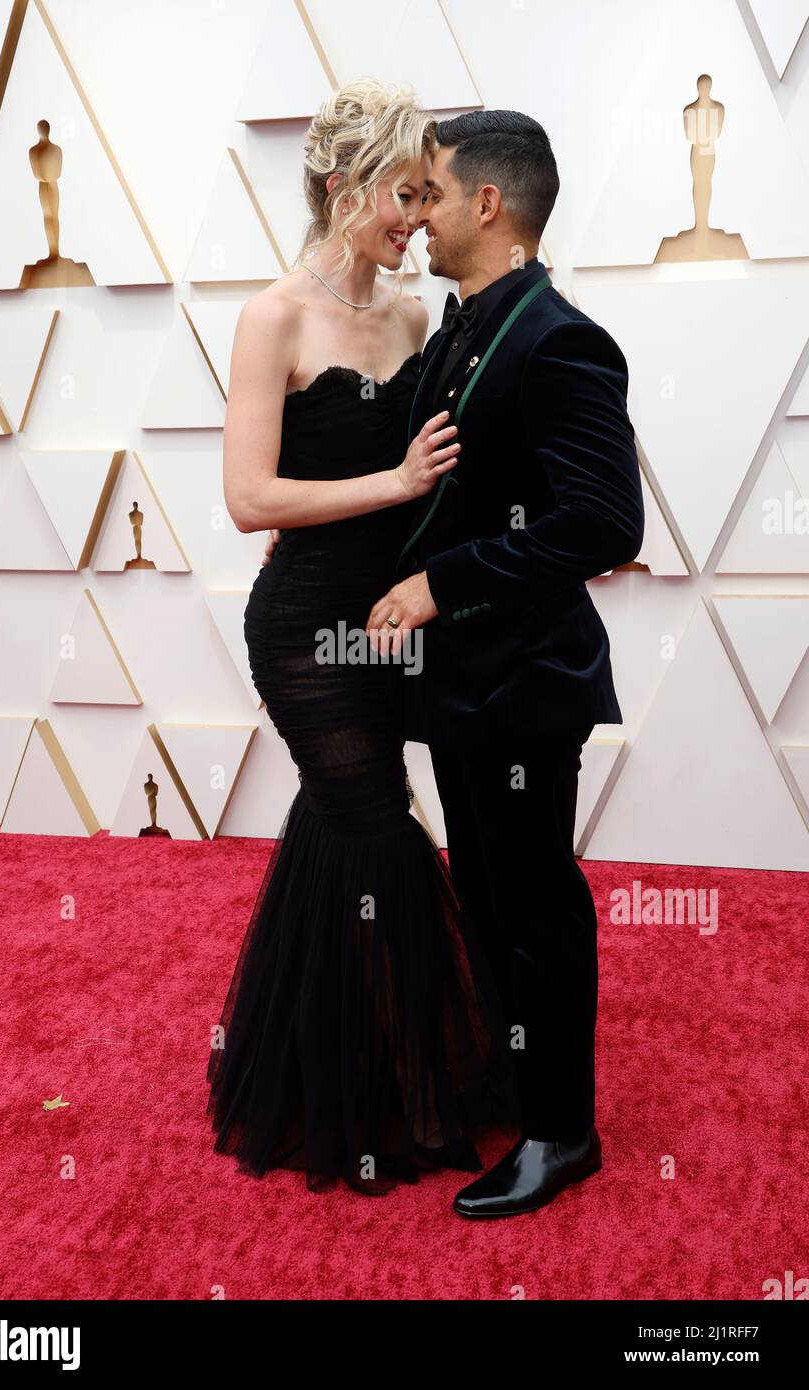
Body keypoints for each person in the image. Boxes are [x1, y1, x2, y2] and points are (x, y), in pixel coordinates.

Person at [206, 80, 519, 1196]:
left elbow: (445, 481)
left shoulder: (410, 315)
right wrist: (389, 477)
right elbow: (249, 498)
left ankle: (327, 1063)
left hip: (393, 618)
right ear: (343, 187)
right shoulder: (271, 317)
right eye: (404, 192)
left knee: (354, 825)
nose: (416, 218)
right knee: (376, 826)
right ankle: (383, 1093)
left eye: (427, 195)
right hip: (304, 628)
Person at [366, 110, 645, 1216]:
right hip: (462, 679)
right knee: (482, 888)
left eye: (429, 192)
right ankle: (515, 1081)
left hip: (525, 679)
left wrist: (444, 582)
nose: (417, 215)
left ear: (487, 203)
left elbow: (601, 520)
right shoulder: (465, 329)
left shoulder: (559, 338)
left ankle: (561, 1131)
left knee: (534, 901)